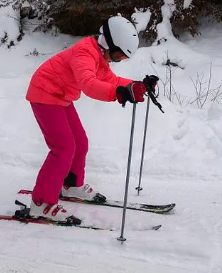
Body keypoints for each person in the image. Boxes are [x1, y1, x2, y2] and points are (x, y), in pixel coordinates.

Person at [25, 15, 156, 224]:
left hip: (61, 96)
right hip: (45, 93)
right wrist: (119, 93)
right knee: (63, 148)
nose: (119, 60)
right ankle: (41, 203)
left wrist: (136, 85)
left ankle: (72, 185)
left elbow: (111, 80)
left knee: (80, 143)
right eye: (120, 56)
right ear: (110, 44)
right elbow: (88, 84)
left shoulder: (97, 56)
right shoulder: (84, 53)